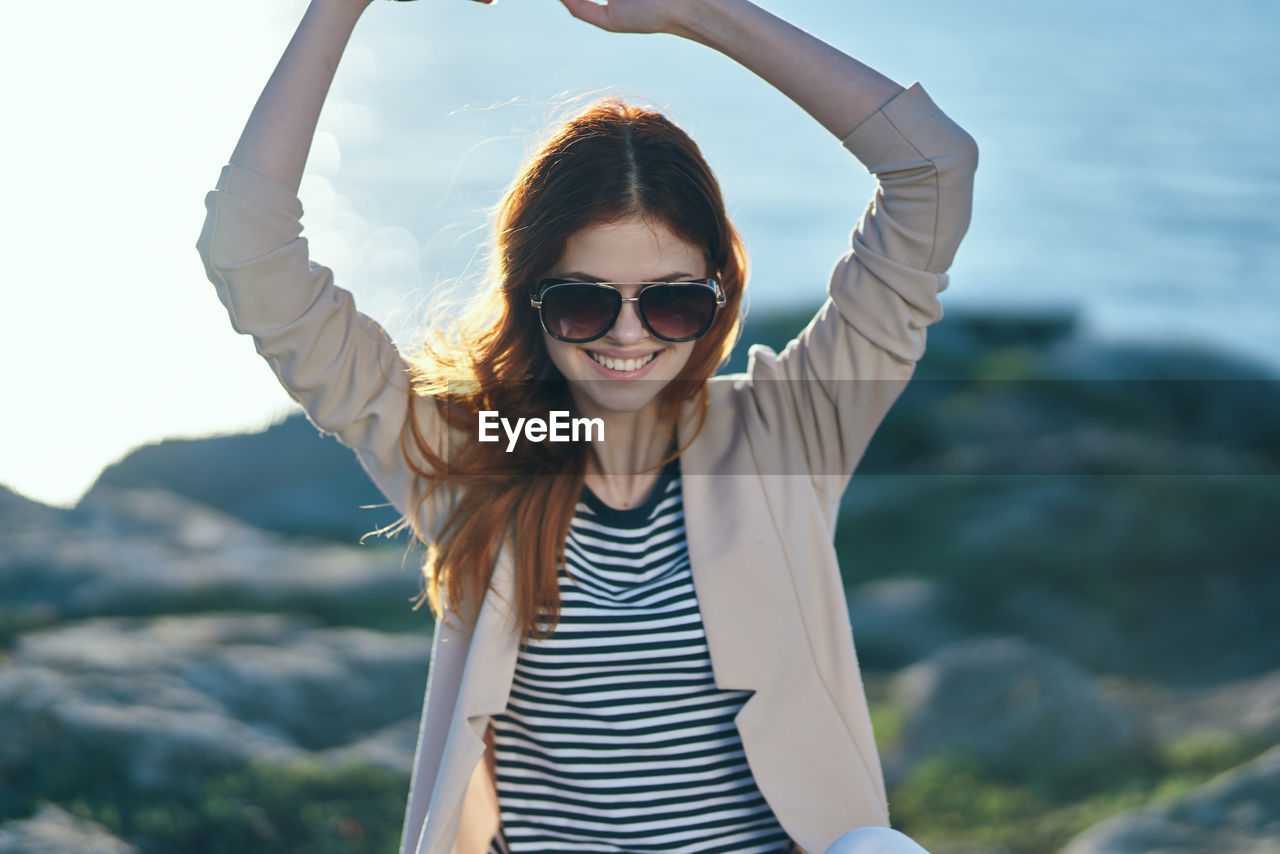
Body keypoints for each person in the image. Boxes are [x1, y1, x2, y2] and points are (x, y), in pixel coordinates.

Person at [196, 0, 977, 851]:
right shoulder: (469, 456)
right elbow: (249, 251)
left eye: (672, 301)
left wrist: (698, 13)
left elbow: (934, 168)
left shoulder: (786, 436)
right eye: (583, 302)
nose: (629, 337)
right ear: (533, 298)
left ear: (716, 295)